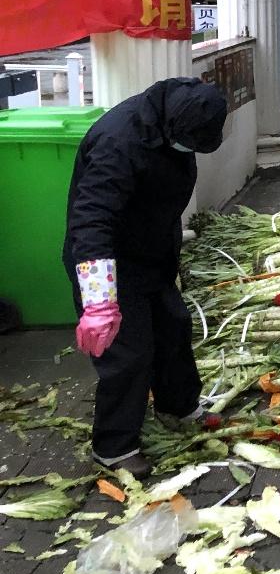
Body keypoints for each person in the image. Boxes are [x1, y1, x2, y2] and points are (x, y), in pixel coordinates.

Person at [63, 78, 229, 479]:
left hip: (152, 252)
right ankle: (114, 447)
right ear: (173, 128)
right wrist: (100, 301)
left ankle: (179, 406)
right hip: (109, 262)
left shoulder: (174, 122)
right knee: (129, 352)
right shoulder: (118, 143)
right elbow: (92, 220)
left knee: (172, 328)